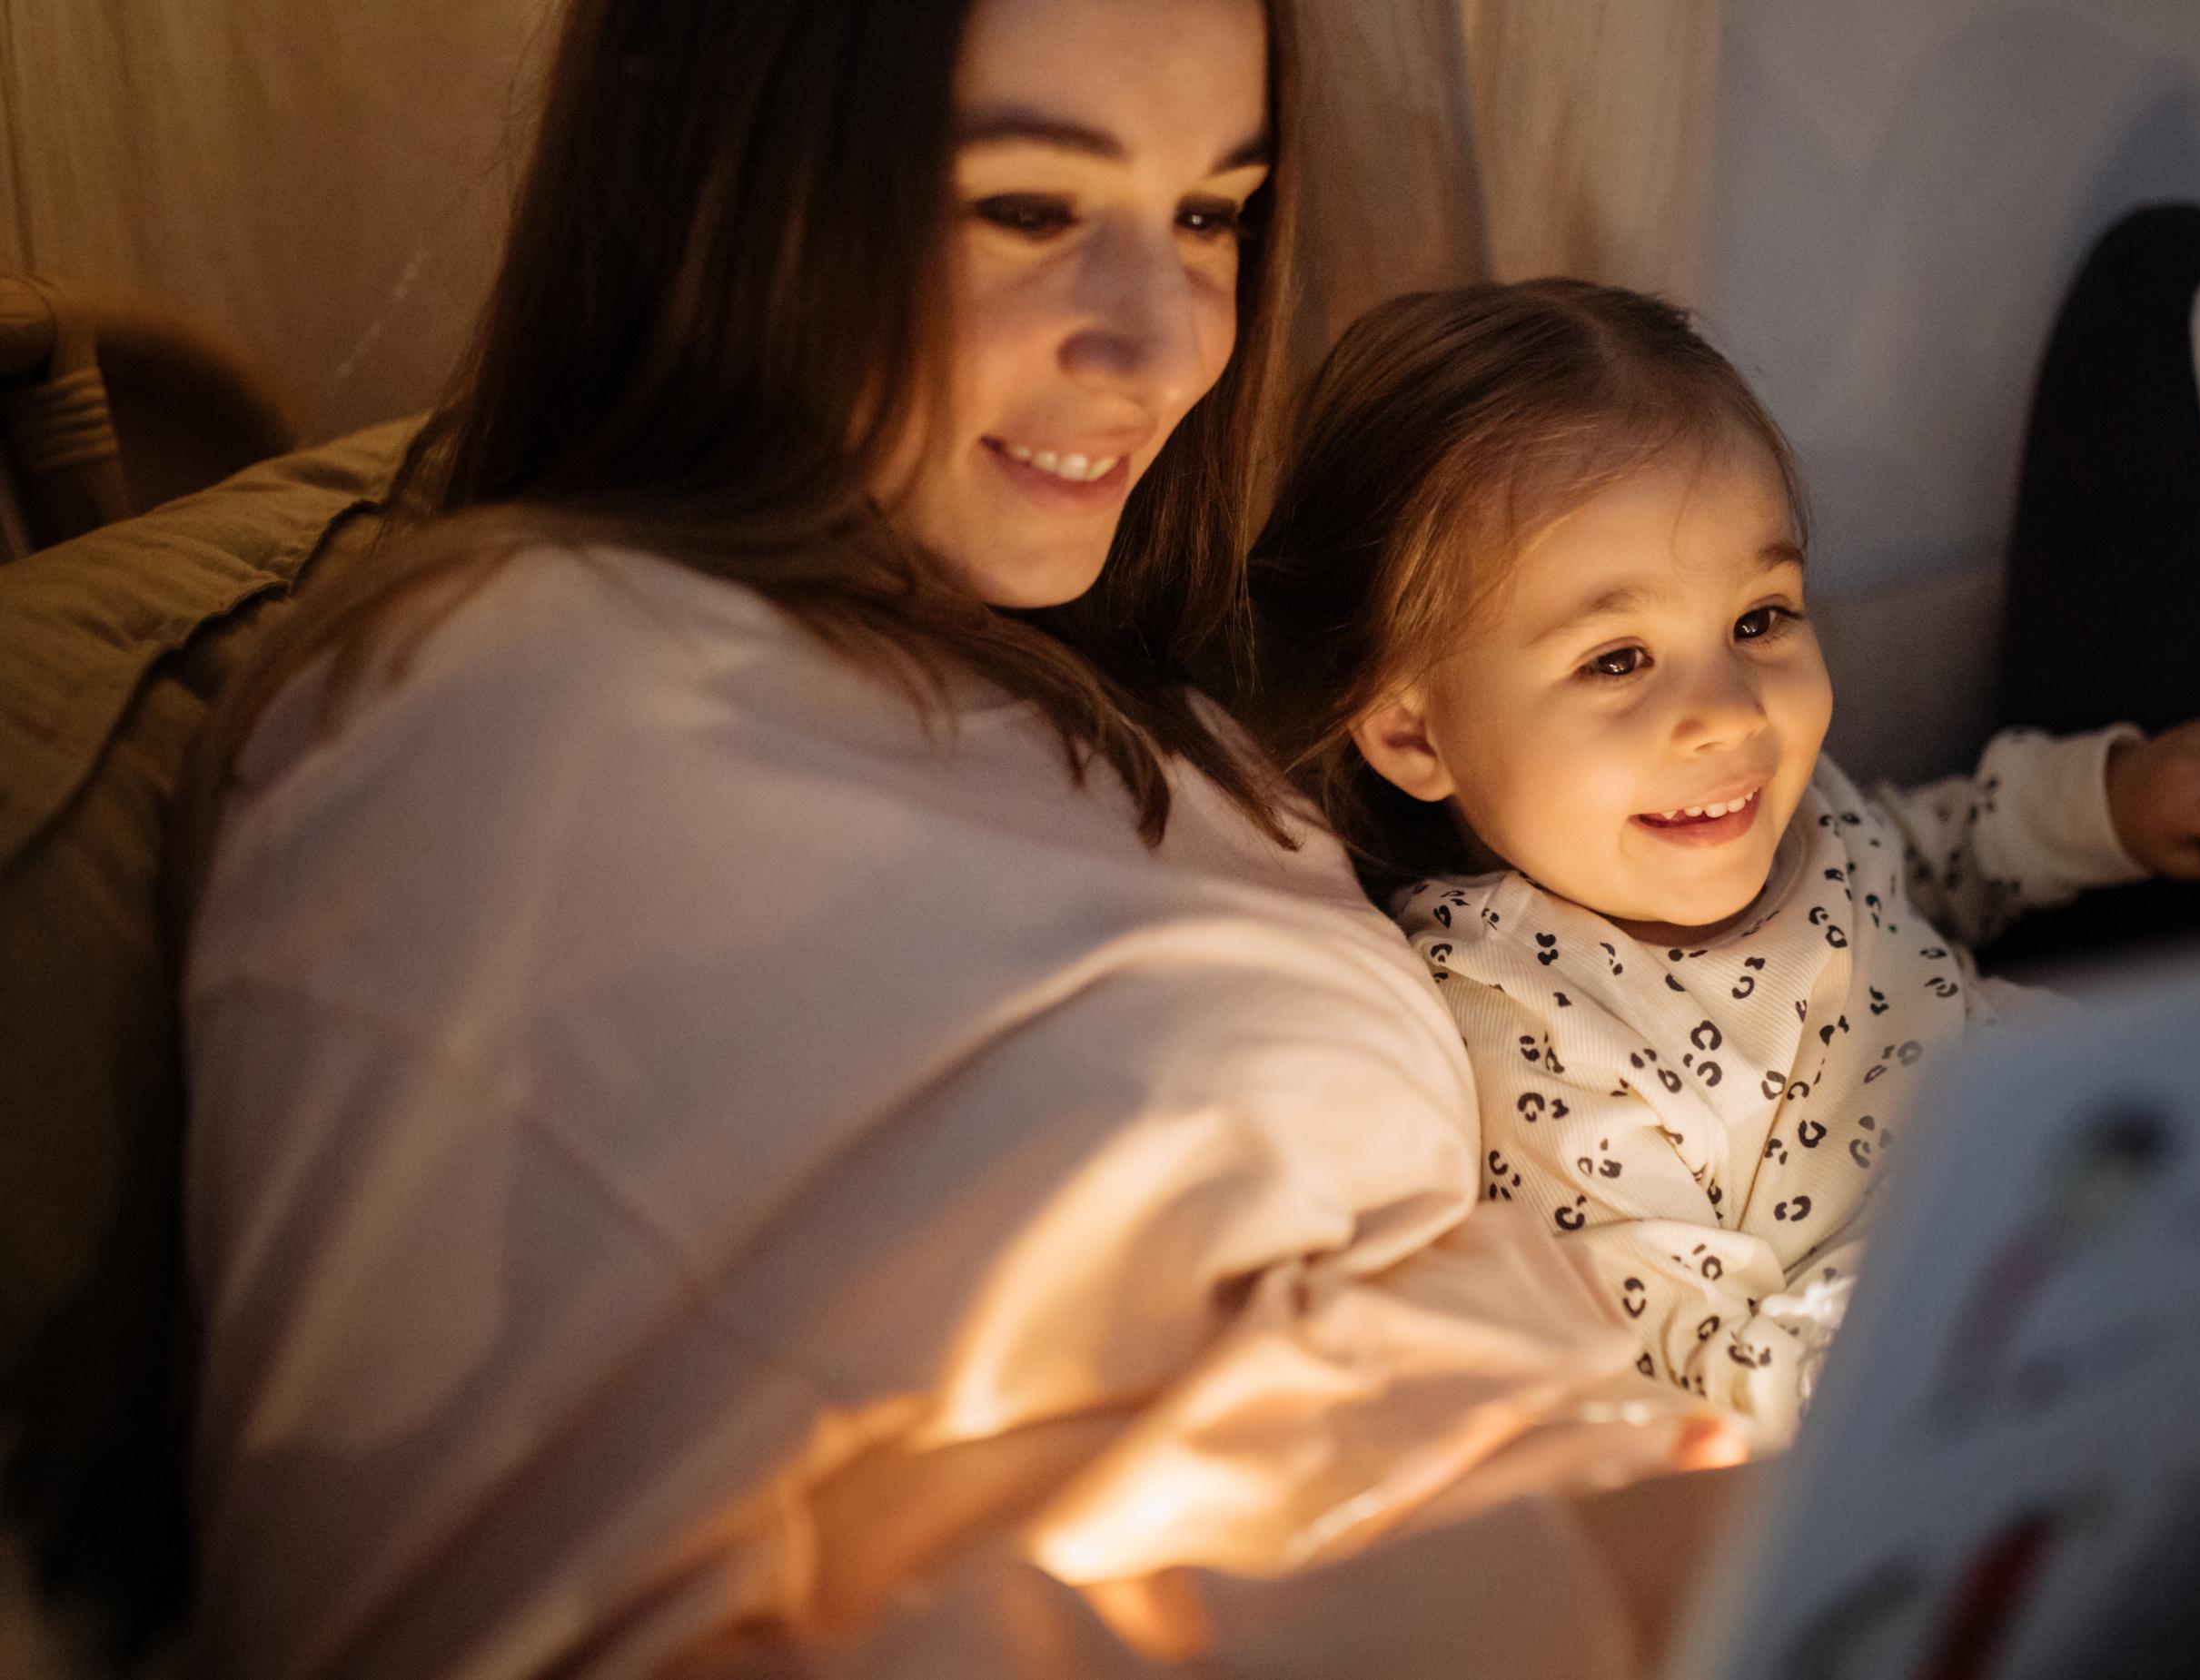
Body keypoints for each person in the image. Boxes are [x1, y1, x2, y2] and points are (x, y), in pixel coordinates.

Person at [173, 5, 1740, 1676]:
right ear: (737, 194)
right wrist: (1594, 1578)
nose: (1160, 347)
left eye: (1209, 215)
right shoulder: (515, 709)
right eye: (1029, 210)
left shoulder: (1144, 708)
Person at [1236, 280, 2200, 1439]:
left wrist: (2106, 804)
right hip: (1955, 1346)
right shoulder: (1523, 1022)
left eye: (1759, 619)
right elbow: (1688, 1345)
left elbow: (1932, 848)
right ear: (1415, 732)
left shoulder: (1784, 808)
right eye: (1616, 659)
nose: (1727, 713)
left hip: (2091, 1147)